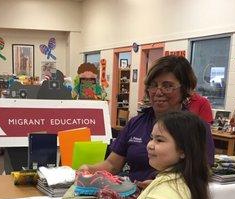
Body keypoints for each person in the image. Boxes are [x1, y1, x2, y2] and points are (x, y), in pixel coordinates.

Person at [79, 56, 214, 188]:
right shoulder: (136, 123)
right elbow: (112, 165)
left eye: (167, 86)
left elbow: (202, 175)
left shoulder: (195, 127)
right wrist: (89, 170)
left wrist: (161, 185)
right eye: (153, 85)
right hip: (131, 197)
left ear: (185, 89)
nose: (158, 92)